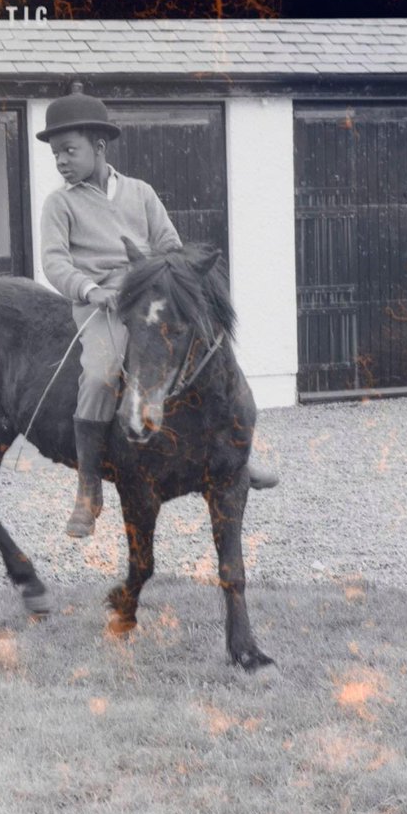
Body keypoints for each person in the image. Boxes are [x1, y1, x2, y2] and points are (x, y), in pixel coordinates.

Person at [38, 91, 279, 538]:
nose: (62, 162)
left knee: (208, 348)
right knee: (100, 373)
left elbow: (169, 246)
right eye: (56, 154)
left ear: (99, 148)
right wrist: (89, 290)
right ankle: (89, 489)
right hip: (103, 304)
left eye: (70, 150)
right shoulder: (61, 205)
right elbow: (54, 263)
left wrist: (169, 280)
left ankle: (238, 457)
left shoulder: (141, 193)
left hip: (149, 296)